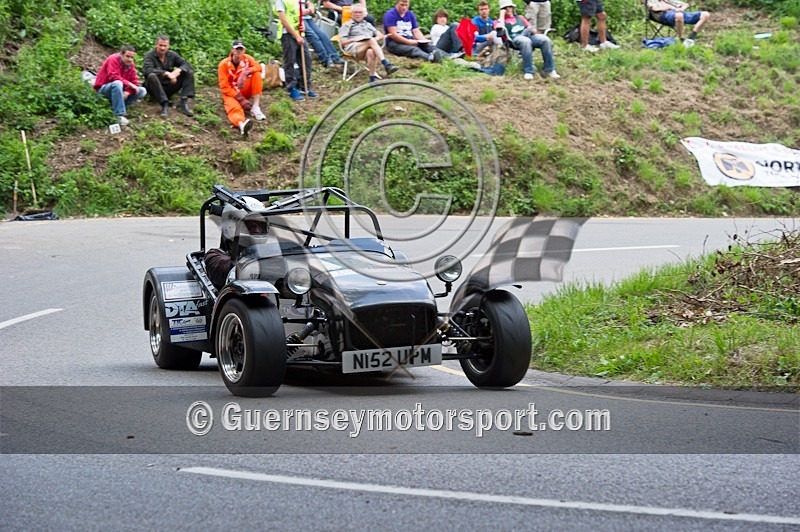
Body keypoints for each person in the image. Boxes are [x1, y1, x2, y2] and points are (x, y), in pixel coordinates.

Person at [205, 197, 269, 289]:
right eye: (251, 226)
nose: (258, 230)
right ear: (231, 226)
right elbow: (225, 271)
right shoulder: (214, 257)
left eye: (261, 226)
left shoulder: (268, 253)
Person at [499, 0, 560, 80]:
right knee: (525, 41)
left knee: (546, 40)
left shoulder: (520, 17)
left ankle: (549, 69)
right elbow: (500, 30)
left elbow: (531, 28)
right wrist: (502, 15)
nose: (508, 9)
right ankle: (528, 70)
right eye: (505, 8)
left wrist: (531, 30)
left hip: (528, 35)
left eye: (510, 7)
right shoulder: (499, 21)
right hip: (514, 38)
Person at [339, 3, 400, 82]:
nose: (358, 14)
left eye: (360, 12)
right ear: (351, 14)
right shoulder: (347, 25)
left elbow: (381, 35)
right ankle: (386, 64)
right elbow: (342, 42)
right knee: (371, 40)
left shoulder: (367, 25)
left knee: (371, 52)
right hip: (354, 48)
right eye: (355, 12)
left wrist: (376, 39)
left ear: (364, 15)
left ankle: (372, 81)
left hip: (368, 47)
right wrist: (354, 39)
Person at [218, 40, 265, 136]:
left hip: (244, 89)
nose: (239, 51)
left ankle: (256, 107)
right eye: (237, 49)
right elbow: (224, 87)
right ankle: (242, 125)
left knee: (256, 74)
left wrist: (247, 72)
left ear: (244, 51)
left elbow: (258, 67)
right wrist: (239, 98)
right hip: (231, 93)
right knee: (234, 108)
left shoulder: (247, 59)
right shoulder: (223, 65)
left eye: (241, 49)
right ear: (232, 50)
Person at [142, 34, 195, 118]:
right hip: (154, 87)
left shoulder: (172, 55)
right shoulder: (149, 55)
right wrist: (166, 73)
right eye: (160, 45)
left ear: (168, 46)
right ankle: (164, 104)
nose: (162, 48)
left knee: (188, 72)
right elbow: (147, 70)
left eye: (165, 46)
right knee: (152, 76)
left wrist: (178, 70)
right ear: (156, 45)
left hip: (169, 85)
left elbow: (186, 64)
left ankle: (184, 101)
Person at [93, 45, 147, 126]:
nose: (130, 59)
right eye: (127, 56)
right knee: (118, 83)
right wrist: (129, 84)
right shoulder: (113, 59)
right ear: (121, 54)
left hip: (120, 90)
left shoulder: (131, 64)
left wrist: (128, 92)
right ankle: (118, 115)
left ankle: (117, 104)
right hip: (104, 89)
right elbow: (113, 76)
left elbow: (134, 81)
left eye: (131, 57)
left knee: (142, 91)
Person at [275, 0, 317, 101]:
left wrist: (303, 25)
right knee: (290, 61)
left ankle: (305, 86)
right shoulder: (281, 1)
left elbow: (299, 14)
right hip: (288, 34)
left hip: (300, 34)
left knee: (306, 60)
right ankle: (292, 88)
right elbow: (283, 20)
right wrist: (296, 35)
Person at [303, 1, 345, 68]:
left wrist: (311, 7)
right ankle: (325, 60)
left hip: (307, 17)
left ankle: (335, 57)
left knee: (323, 35)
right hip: (298, 19)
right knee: (313, 36)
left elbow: (308, 2)